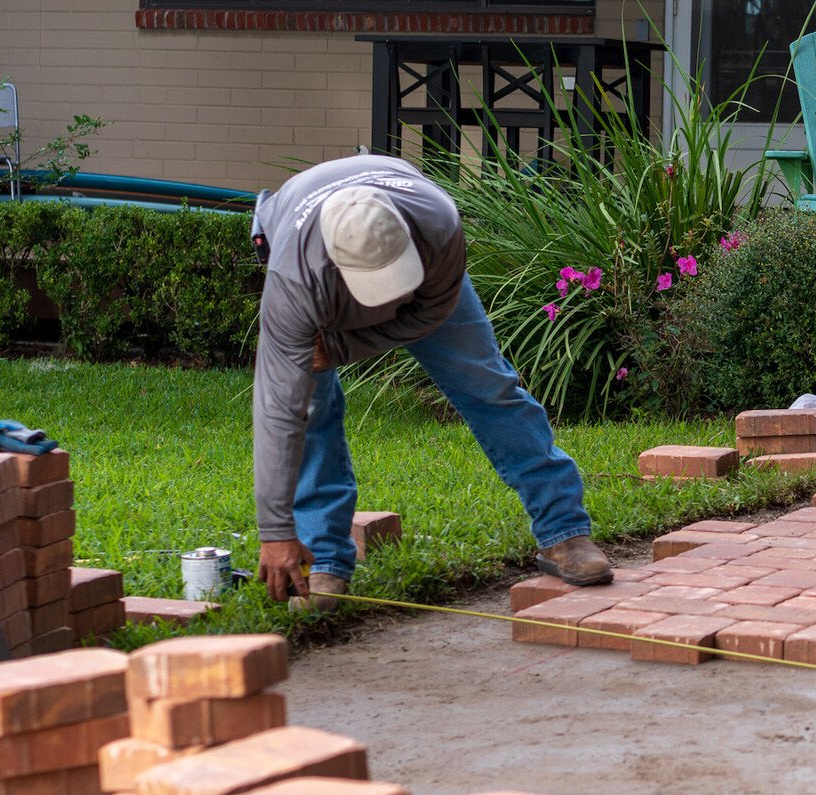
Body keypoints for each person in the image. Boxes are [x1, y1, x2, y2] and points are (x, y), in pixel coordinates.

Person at [251, 155, 613, 610]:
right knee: (311, 411)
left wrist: (343, 349)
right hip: (316, 270)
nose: (393, 298)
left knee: (489, 387)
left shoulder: (438, 222)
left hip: (421, 271)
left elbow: (429, 313)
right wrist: (275, 532)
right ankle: (323, 559)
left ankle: (565, 532)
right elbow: (277, 410)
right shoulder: (295, 281)